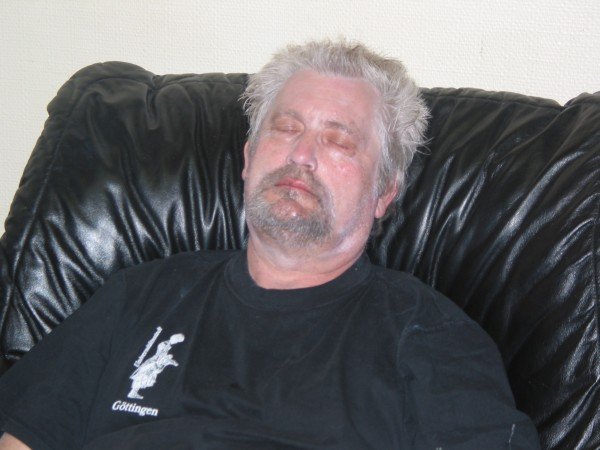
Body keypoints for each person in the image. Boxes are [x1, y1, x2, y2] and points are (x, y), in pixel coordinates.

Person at [0, 39, 540, 449]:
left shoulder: (429, 337)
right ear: (247, 158)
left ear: (384, 193)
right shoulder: (137, 296)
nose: (301, 155)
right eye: (285, 128)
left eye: (338, 140)